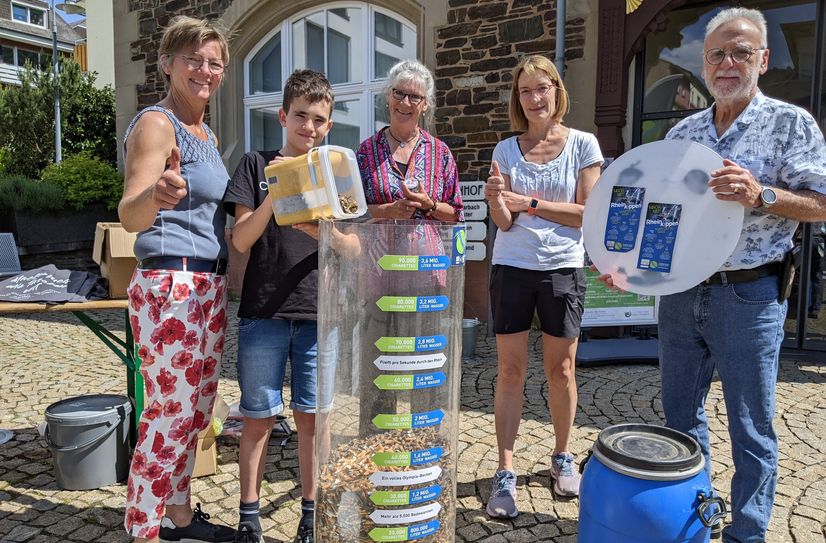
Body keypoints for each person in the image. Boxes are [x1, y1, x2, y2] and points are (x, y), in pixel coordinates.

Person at [599, 8, 826, 542]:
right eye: (717, 54)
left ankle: (746, 534)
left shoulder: (790, 124)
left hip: (749, 294)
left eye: (740, 52)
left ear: (762, 60)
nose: (727, 63)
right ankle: (690, 523)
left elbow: (821, 202)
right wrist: (629, 268)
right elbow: (662, 214)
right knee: (680, 419)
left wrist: (761, 194)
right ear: (704, 65)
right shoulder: (685, 130)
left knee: (751, 428)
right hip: (681, 294)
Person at [118, 16, 236, 543]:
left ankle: (180, 517)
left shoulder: (207, 133)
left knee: (196, 413)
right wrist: (156, 195)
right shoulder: (156, 124)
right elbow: (129, 214)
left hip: (207, 287)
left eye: (214, 62)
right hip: (171, 287)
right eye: (193, 59)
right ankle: (143, 529)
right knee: (168, 414)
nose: (204, 70)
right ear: (167, 63)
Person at [483, 54, 603, 517]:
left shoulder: (583, 145)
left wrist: (528, 202)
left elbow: (587, 213)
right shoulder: (505, 149)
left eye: (542, 88)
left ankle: (562, 455)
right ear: (518, 98)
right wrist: (497, 202)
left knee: (563, 371)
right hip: (511, 266)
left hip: (562, 268)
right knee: (510, 371)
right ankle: (505, 469)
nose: (534, 98)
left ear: (556, 90)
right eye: (525, 91)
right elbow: (504, 222)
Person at [223, 69, 338, 543]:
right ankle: (249, 517)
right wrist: (276, 192)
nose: (309, 127)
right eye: (300, 116)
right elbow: (241, 240)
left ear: (328, 125)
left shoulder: (333, 174)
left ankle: (311, 515)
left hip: (318, 314)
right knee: (258, 418)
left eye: (319, 120)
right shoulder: (255, 165)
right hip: (263, 312)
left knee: (313, 419)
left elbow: (353, 248)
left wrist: (321, 232)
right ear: (282, 117)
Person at [357, 59, 463, 222]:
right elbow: (352, 212)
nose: (405, 102)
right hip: (378, 240)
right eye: (399, 93)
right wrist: (387, 210)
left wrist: (430, 205)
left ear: (425, 104)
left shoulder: (440, 152)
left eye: (414, 97)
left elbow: (456, 214)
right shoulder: (366, 151)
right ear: (389, 96)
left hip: (429, 240)